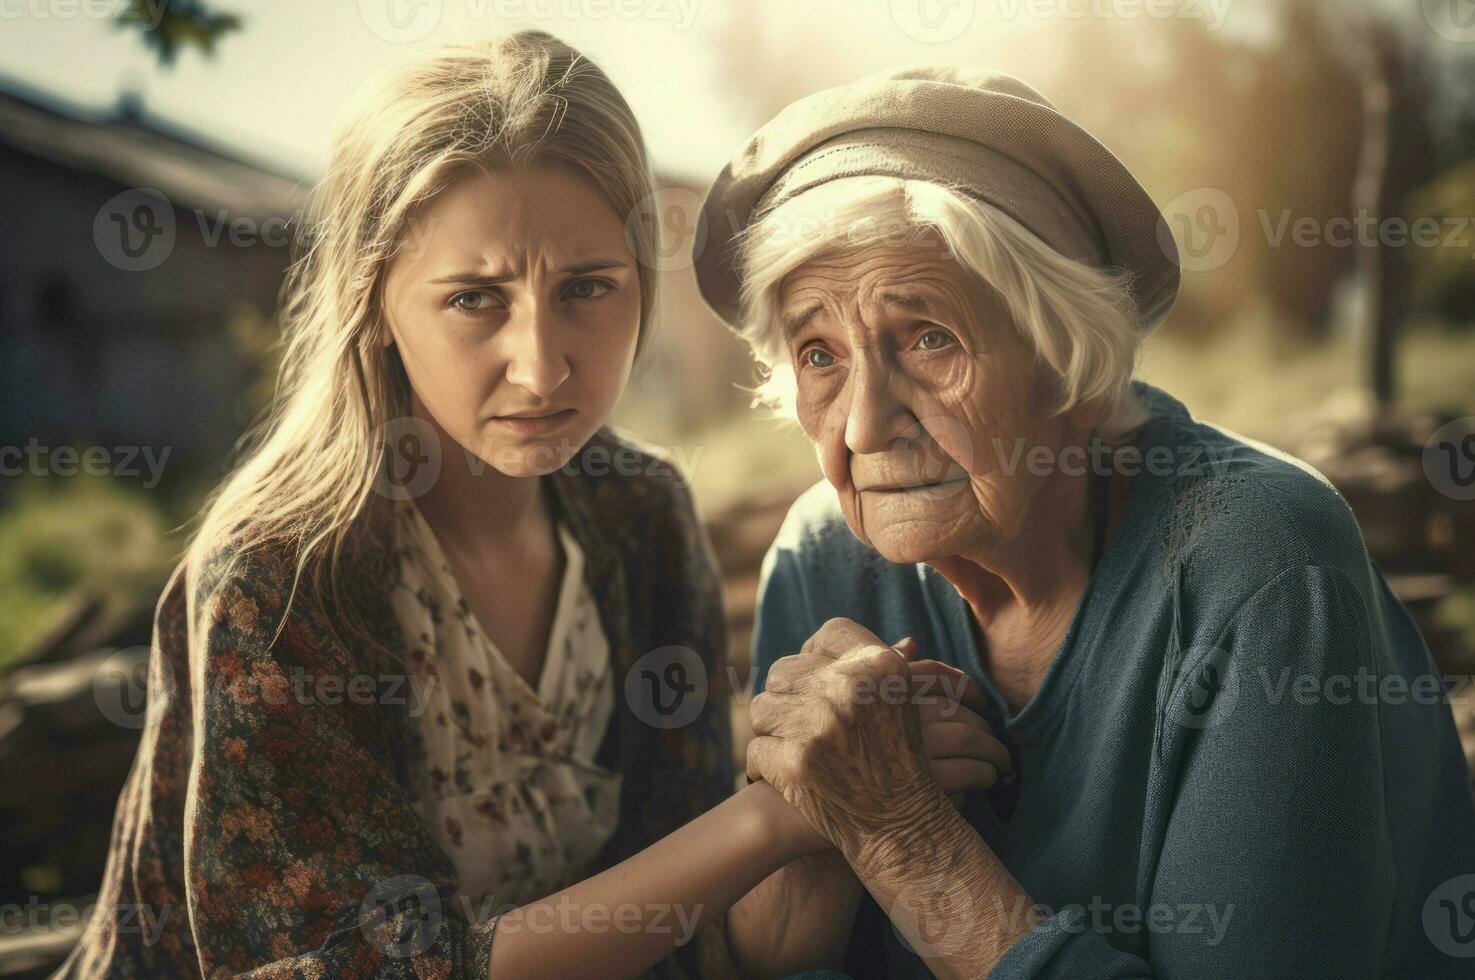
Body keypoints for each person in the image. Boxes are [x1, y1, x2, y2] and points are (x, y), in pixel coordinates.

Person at [55, 37, 1004, 980]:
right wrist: (776, 813)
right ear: (374, 302)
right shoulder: (284, 573)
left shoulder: (639, 514)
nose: (543, 365)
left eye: (588, 287)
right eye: (475, 299)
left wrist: (866, 778)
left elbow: (682, 932)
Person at [698, 66, 1475, 978]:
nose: (865, 424)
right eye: (818, 353)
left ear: (1068, 360)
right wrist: (814, 810)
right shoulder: (826, 557)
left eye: (927, 337)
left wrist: (897, 835)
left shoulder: (1263, 564)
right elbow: (782, 959)